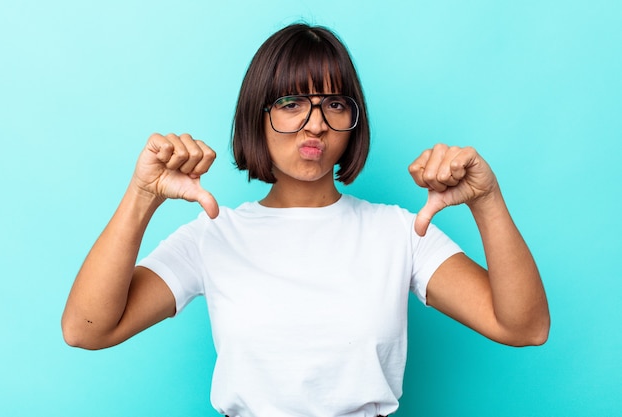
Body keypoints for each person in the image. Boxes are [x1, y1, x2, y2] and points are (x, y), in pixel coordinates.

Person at [62, 23, 550, 417]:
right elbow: (87, 329)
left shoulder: (399, 232)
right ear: (258, 115)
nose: (315, 123)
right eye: (291, 103)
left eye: (334, 104)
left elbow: (524, 327)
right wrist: (142, 196)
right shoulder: (215, 235)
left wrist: (487, 201)